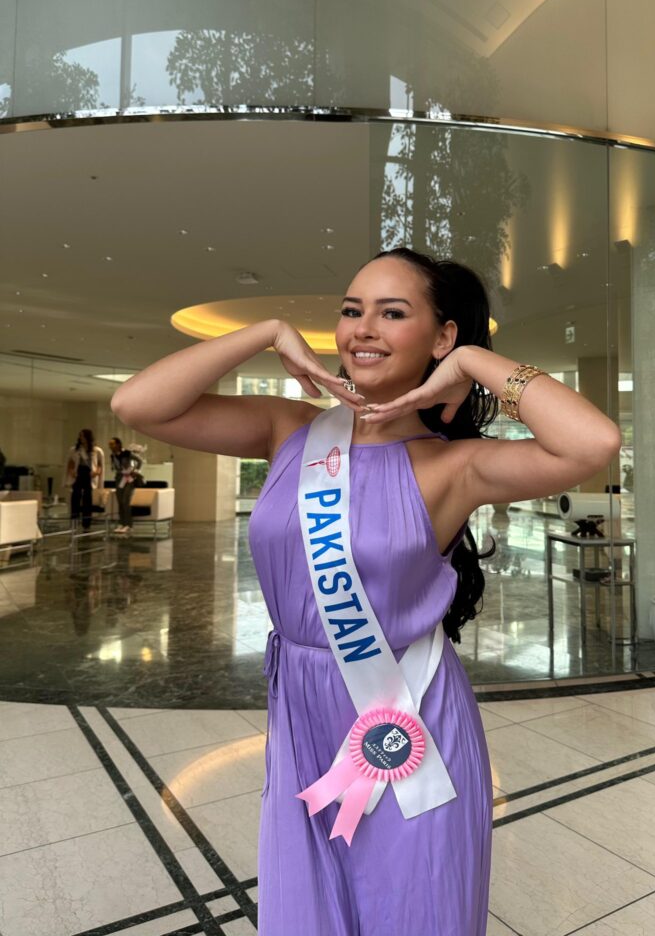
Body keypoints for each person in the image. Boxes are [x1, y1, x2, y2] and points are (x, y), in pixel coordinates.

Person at [111, 248, 620, 935]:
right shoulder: (290, 431)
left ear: (440, 336)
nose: (363, 329)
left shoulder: (456, 466)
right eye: (352, 310)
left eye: (393, 312)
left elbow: (593, 443)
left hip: (409, 719)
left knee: (412, 908)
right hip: (303, 710)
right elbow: (135, 405)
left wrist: (472, 362)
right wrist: (267, 333)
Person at [65, 429, 104, 531]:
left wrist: (96, 472)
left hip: (89, 475)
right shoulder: (75, 450)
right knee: (75, 497)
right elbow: (70, 463)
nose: (81, 438)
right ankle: (74, 521)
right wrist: (72, 472)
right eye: (80, 436)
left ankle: (86, 523)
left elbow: (100, 464)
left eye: (82, 436)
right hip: (78, 474)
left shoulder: (96, 450)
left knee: (87, 499)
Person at [108, 437, 143, 534]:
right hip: (119, 478)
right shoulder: (113, 456)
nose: (111, 446)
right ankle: (121, 523)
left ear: (118, 444)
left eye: (112, 444)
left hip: (129, 478)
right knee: (120, 501)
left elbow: (140, 460)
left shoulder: (127, 453)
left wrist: (136, 471)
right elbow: (115, 467)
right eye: (110, 445)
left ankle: (128, 524)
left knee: (125, 501)